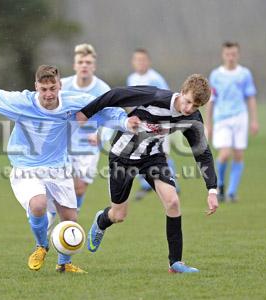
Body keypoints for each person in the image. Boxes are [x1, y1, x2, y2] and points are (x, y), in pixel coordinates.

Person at [0, 65, 133, 273]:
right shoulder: (21, 103)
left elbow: (104, 108)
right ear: (36, 87)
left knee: (71, 220)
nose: (48, 94)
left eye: (52, 88)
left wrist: (125, 122)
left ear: (59, 86)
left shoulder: (73, 102)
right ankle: (41, 246)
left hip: (58, 167)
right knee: (38, 205)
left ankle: (64, 264)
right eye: (43, 89)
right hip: (25, 167)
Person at [77, 74, 219, 273]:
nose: (189, 109)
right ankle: (102, 220)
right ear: (182, 91)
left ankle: (176, 263)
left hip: (153, 157)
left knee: (173, 201)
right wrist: (85, 113)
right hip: (123, 157)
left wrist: (212, 189)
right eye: (187, 102)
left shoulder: (191, 118)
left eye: (195, 106)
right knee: (118, 215)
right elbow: (116, 94)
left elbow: (202, 152)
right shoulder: (155, 96)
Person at [60, 43, 112, 212]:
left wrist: (101, 136)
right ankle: (57, 224)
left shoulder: (103, 90)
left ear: (94, 66)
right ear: (75, 65)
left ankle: (71, 219)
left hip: (88, 145)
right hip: (63, 143)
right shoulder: (62, 86)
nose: (84, 65)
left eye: (88, 62)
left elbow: (112, 118)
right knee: (61, 186)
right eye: (81, 62)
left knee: (79, 188)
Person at [206, 41, 258, 202]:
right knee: (224, 154)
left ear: (238, 55)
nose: (231, 57)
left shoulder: (245, 74)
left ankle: (232, 192)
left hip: (240, 117)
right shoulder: (216, 75)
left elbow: (250, 97)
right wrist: (208, 124)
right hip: (222, 118)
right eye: (228, 54)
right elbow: (211, 100)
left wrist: (254, 120)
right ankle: (220, 185)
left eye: (234, 54)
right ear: (223, 55)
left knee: (238, 155)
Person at [126, 48, 180, 200]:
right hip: (140, 123)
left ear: (148, 61)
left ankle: (173, 183)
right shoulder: (131, 79)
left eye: (143, 60)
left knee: (162, 153)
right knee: (139, 153)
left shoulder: (156, 78)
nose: (140, 63)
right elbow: (130, 101)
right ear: (133, 62)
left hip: (158, 123)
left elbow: (167, 100)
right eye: (137, 60)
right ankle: (145, 185)